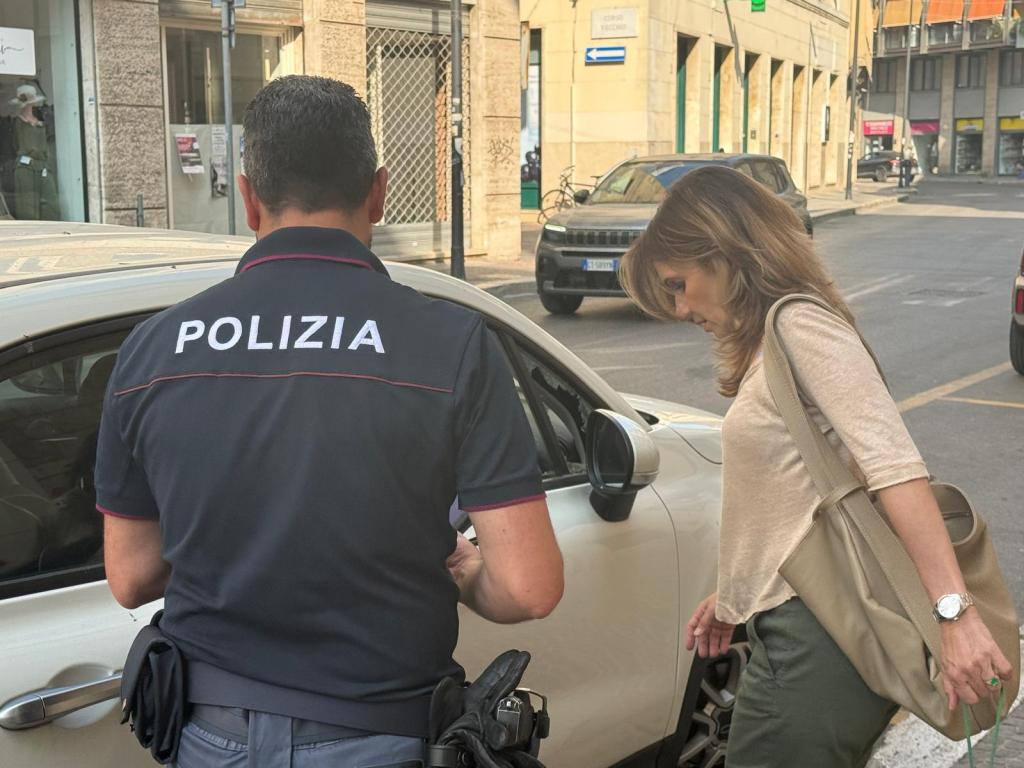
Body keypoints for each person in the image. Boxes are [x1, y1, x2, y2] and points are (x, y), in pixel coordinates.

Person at [96, 75, 564, 768]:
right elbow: (529, 586)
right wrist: (465, 572)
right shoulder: (451, 344)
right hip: (382, 733)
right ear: (378, 193)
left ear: (249, 199)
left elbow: (131, 577)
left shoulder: (153, 349)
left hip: (209, 734)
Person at [619, 165, 1011, 768]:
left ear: (724, 252)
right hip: (800, 623)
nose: (679, 308)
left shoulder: (801, 327)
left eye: (679, 283)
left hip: (821, 634)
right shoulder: (778, 342)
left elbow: (896, 470)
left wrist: (954, 617)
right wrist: (734, 595)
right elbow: (788, 499)